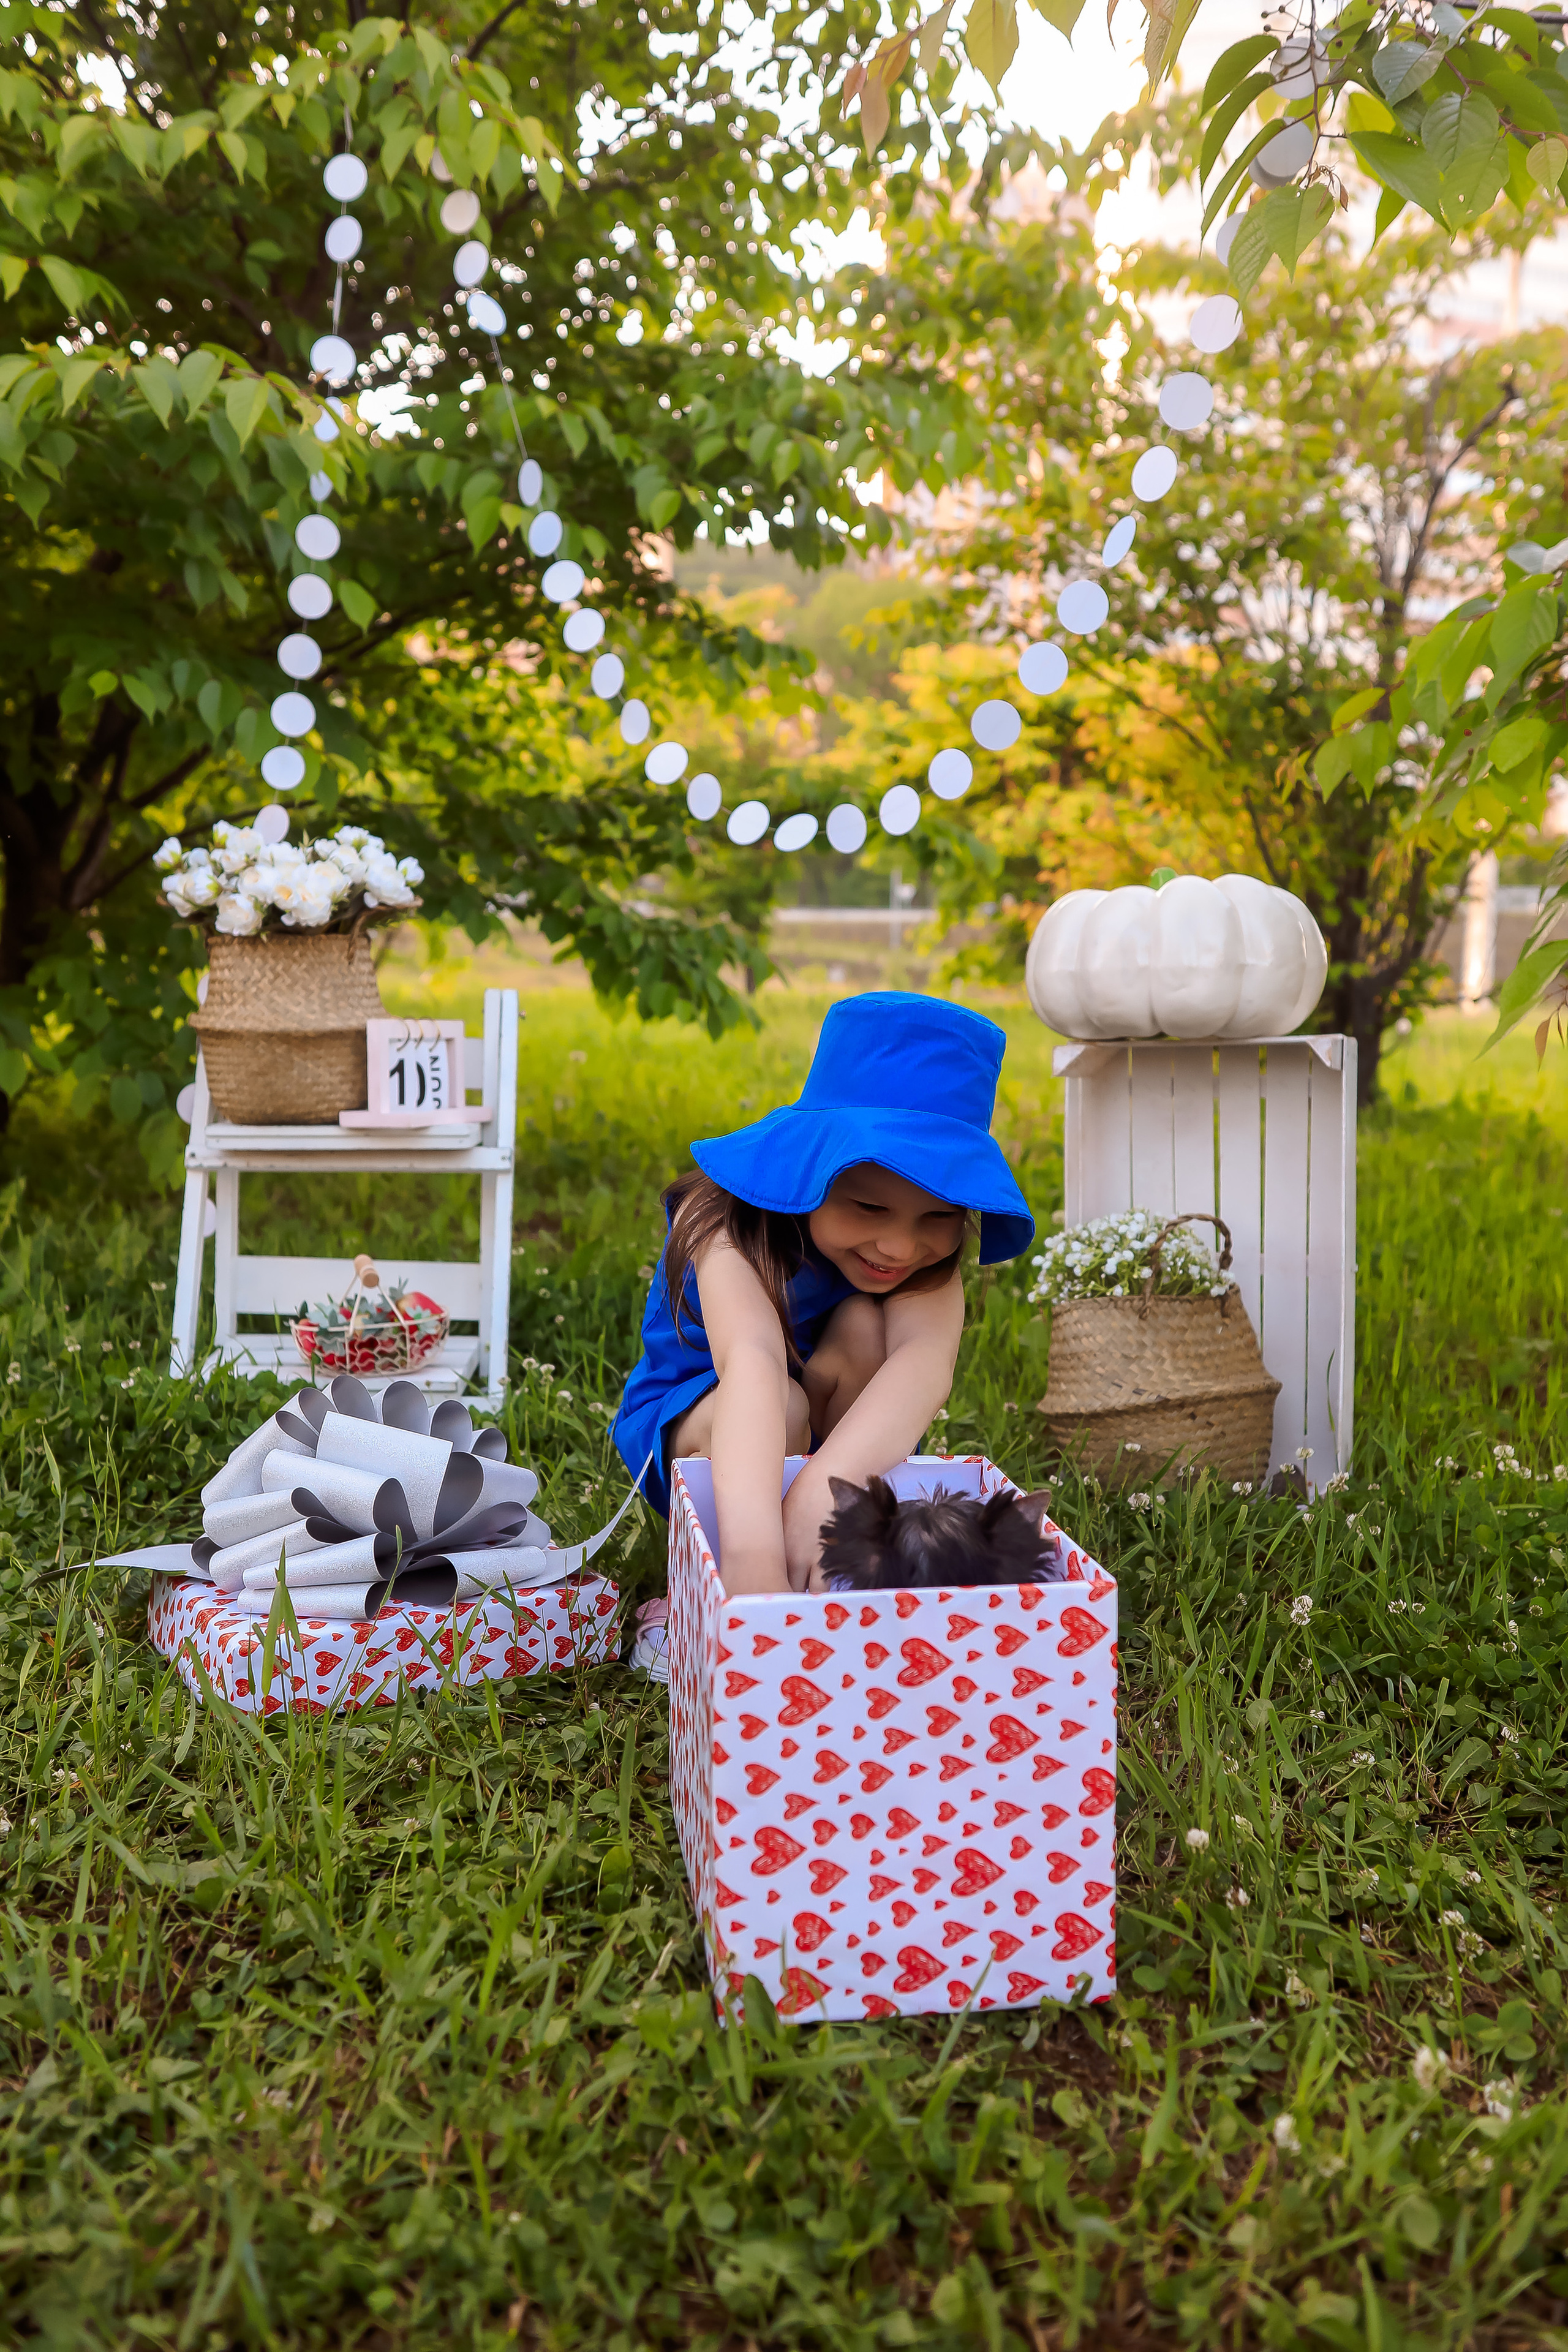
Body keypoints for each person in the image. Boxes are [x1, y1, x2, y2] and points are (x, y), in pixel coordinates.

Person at [612, 991, 1035, 1604]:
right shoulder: (723, 1219)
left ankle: (827, 1554)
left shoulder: (925, 1264)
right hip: (698, 1423)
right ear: (813, 1167)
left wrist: (818, 1496)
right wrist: (756, 1558)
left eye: (938, 1216)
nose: (898, 1245)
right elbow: (751, 1358)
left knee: (866, 1325)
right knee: (779, 1403)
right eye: (869, 1206)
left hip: (838, 1444)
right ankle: (713, 1582)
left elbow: (924, 1366)